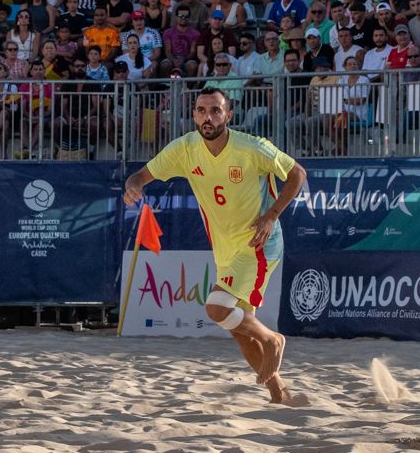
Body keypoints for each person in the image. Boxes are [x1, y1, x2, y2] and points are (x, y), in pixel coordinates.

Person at [121, 88, 309, 406]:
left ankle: (273, 340)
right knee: (237, 327)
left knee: (217, 308)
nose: (208, 117)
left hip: (259, 242)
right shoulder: (185, 148)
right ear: (194, 115)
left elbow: (297, 173)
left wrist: (271, 215)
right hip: (226, 248)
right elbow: (140, 176)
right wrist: (133, 187)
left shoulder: (251, 147)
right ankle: (280, 395)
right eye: (201, 110)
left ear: (228, 115)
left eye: (215, 110)